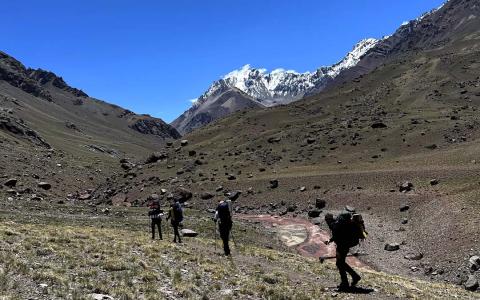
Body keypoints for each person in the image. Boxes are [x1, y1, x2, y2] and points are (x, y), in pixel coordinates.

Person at [324, 211, 363, 291]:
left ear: (328, 220)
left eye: (326, 220)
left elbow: (337, 237)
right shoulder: (338, 223)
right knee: (340, 263)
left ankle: (346, 282)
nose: (327, 222)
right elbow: (337, 235)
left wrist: (338, 251)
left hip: (343, 246)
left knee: (340, 263)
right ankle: (353, 277)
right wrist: (330, 240)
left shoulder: (334, 225)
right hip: (346, 244)